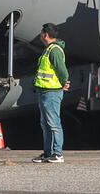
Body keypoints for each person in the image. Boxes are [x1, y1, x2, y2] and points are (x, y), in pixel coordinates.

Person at [32, 23, 70, 164]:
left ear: (45, 35)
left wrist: (64, 82)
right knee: (46, 124)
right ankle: (48, 153)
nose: (41, 35)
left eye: (42, 33)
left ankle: (57, 153)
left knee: (53, 123)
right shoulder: (48, 49)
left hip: (52, 92)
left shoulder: (54, 50)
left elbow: (62, 70)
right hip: (44, 91)